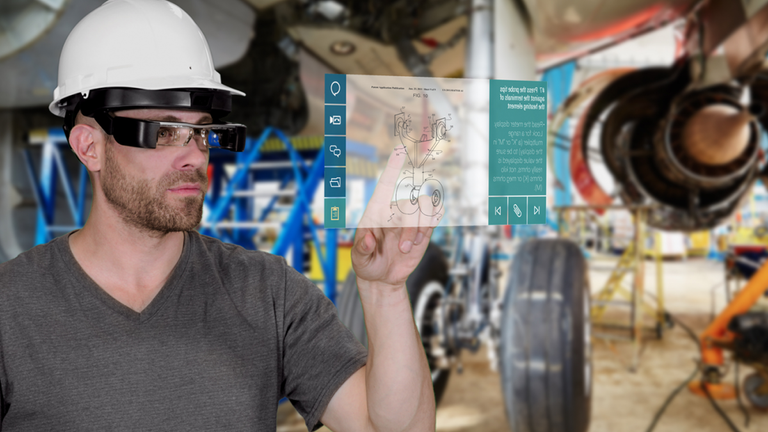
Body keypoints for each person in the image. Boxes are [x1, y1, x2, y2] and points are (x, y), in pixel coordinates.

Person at [0, 0, 440, 430]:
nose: (193, 155)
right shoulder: (10, 307)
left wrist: (384, 293)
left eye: (203, 132)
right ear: (89, 147)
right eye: (165, 131)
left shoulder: (269, 293)